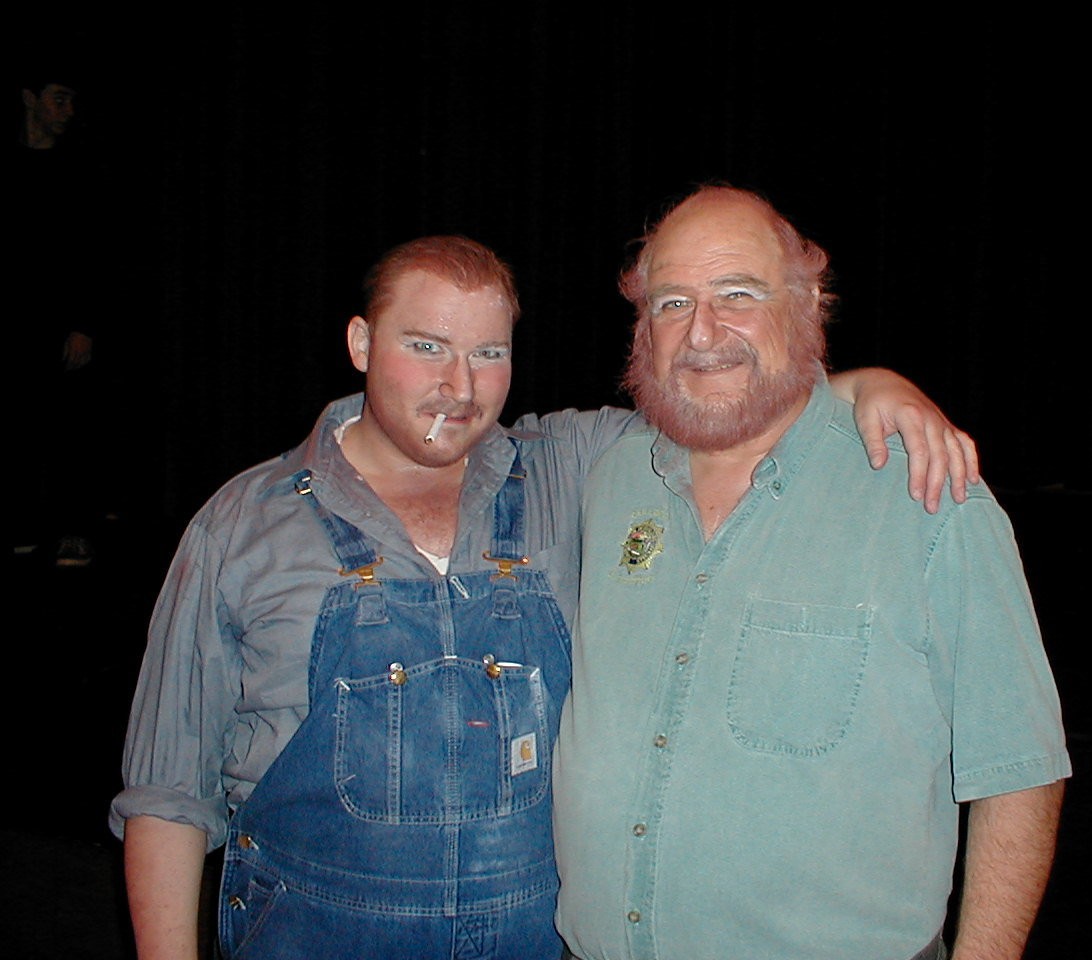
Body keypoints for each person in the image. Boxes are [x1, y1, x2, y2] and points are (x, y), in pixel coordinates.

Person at [111, 235, 979, 960]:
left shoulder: (568, 468)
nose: (459, 385)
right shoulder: (240, 527)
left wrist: (858, 387)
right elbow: (165, 797)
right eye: (426, 346)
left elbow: (727, 405)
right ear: (360, 343)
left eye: (488, 353)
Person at [551, 186, 1071, 960]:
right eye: (671, 302)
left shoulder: (925, 494)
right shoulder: (612, 478)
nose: (702, 332)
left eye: (737, 294)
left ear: (808, 304)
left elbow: (1020, 771)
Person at [14, 65, 107, 565]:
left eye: (71, 101)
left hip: (62, 323)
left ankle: (74, 531)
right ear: (30, 99)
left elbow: (91, 254)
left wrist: (82, 325)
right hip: (18, 320)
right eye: (58, 99)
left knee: (70, 429)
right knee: (22, 427)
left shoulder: (79, 168)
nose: (67, 111)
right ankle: (25, 526)